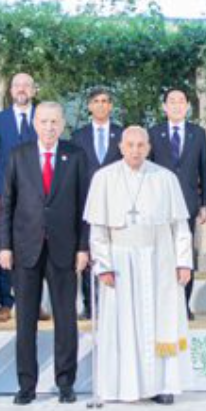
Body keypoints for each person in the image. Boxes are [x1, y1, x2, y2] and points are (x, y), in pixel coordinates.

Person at [85, 127, 194, 404]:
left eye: (141, 145)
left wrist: (183, 262)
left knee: (161, 321)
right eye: (130, 145)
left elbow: (180, 226)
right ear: (121, 147)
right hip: (120, 261)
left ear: (148, 147)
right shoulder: (104, 178)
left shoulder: (165, 178)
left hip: (159, 259)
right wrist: (104, 266)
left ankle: (163, 385)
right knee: (123, 325)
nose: (135, 150)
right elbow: (98, 231)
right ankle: (122, 387)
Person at [0, 101, 90, 405]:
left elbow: (83, 206)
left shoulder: (75, 156)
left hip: (64, 250)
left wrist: (83, 247)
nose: (49, 127)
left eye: (54, 122)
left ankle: (66, 383)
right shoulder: (18, 155)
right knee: (25, 321)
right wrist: (5, 246)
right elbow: (7, 204)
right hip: (26, 249)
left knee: (66, 320)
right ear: (34, 124)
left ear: (62, 124)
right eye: (43, 121)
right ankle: (26, 385)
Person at [148, 88, 206, 319]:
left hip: (188, 203)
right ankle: (163, 306)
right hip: (158, 206)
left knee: (186, 255)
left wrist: (205, 203)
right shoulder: (154, 133)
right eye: (171, 102)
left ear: (187, 106)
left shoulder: (198, 133)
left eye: (181, 101)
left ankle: (183, 305)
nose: (176, 105)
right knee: (161, 255)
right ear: (164, 107)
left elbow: (204, 168)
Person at [0, 72, 38, 322]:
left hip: (39, 195)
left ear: (34, 90)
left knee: (38, 247)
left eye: (26, 85)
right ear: (10, 91)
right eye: (17, 85)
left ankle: (35, 303)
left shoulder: (43, 117)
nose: (22, 89)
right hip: (6, 195)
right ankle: (5, 301)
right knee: (5, 246)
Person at [71, 87, 123, 319]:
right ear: (90, 106)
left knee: (114, 250)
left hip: (116, 203)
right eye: (96, 101)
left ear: (110, 106)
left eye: (105, 101)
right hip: (86, 202)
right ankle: (89, 304)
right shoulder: (78, 136)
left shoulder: (122, 135)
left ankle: (116, 303)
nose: (101, 105)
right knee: (88, 250)